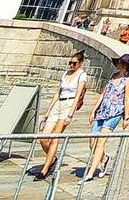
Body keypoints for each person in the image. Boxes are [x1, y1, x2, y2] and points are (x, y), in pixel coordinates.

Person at [34, 51, 87, 180]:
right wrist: (47, 111)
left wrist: (70, 114)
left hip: (69, 104)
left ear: (80, 63)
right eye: (70, 63)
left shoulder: (82, 75)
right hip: (59, 103)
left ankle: (45, 169)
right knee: (43, 138)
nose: (71, 65)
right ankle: (53, 158)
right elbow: (58, 93)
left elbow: (78, 95)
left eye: (74, 63)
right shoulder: (65, 74)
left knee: (55, 138)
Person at [86, 54, 129, 180]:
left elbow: (127, 98)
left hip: (115, 113)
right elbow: (104, 93)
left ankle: (90, 173)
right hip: (103, 110)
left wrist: (126, 117)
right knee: (92, 142)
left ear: (125, 65)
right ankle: (104, 159)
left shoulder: (128, 80)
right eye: (117, 62)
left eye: (120, 63)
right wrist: (94, 110)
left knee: (100, 142)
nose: (117, 65)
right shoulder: (114, 76)